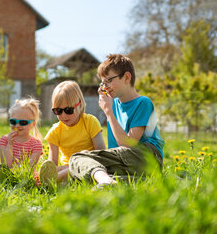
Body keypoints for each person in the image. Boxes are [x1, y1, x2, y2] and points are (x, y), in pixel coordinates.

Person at [68, 54, 164, 188]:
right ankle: (113, 181)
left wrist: (108, 112)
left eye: (108, 81)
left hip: (147, 157)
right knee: (78, 159)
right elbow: (116, 150)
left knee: (79, 160)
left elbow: (128, 144)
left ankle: (107, 180)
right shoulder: (114, 105)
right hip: (127, 161)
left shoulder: (143, 103)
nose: (105, 87)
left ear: (127, 77)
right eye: (102, 83)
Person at [40, 81, 106, 184]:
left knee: (82, 157)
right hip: (68, 168)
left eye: (68, 110)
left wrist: (84, 157)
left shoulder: (90, 122)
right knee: (59, 169)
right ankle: (52, 178)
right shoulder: (55, 131)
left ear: (79, 104)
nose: (63, 115)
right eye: (58, 111)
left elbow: (101, 154)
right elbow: (52, 165)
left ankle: (53, 180)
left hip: (91, 164)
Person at [0, 98, 43, 169]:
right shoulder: (4, 141)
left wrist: (15, 170)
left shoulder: (36, 145)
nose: (17, 125)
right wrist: (10, 145)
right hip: (8, 176)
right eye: (13, 121)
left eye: (23, 122)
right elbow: (6, 165)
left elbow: (30, 169)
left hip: (26, 177)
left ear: (33, 124)